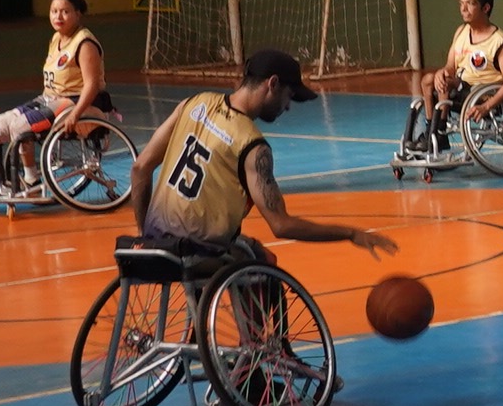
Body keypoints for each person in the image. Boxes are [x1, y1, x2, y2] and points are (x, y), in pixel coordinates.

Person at [133, 48, 396, 271]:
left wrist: (147, 235)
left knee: (243, 249)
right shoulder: (252, 145)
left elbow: (140, 167)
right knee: (262, 262)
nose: (288, 106)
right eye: (289, 96)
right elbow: (281, 226)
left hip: (158, 243)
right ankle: (253, 321)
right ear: (273, 84)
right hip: (200, 252)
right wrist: (350, 233)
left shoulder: (192, 104)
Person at [0, 0, 112, 168]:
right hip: (51, 98)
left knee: (20, 126)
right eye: (54, 11)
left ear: (77, 14)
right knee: (1, 124)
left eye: (65, 12)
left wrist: (75, 114)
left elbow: (92, 85)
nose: (58, 16)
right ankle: (5, 174)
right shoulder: (56, 38)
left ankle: (31, 177)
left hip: (76, 100)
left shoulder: (85, 43)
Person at [423, 0, 503, 139]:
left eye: (470, 4)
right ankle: (431, 130)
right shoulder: (461, 32)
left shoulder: (501, 43)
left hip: (485, 95)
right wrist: (441, 73)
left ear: (485, 8)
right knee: (429, 80)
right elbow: (450, 67)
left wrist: (486, 106)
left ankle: (439, 133)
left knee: (447, 83)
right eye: (461, 4)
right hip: (463, 89)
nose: (463, 9)